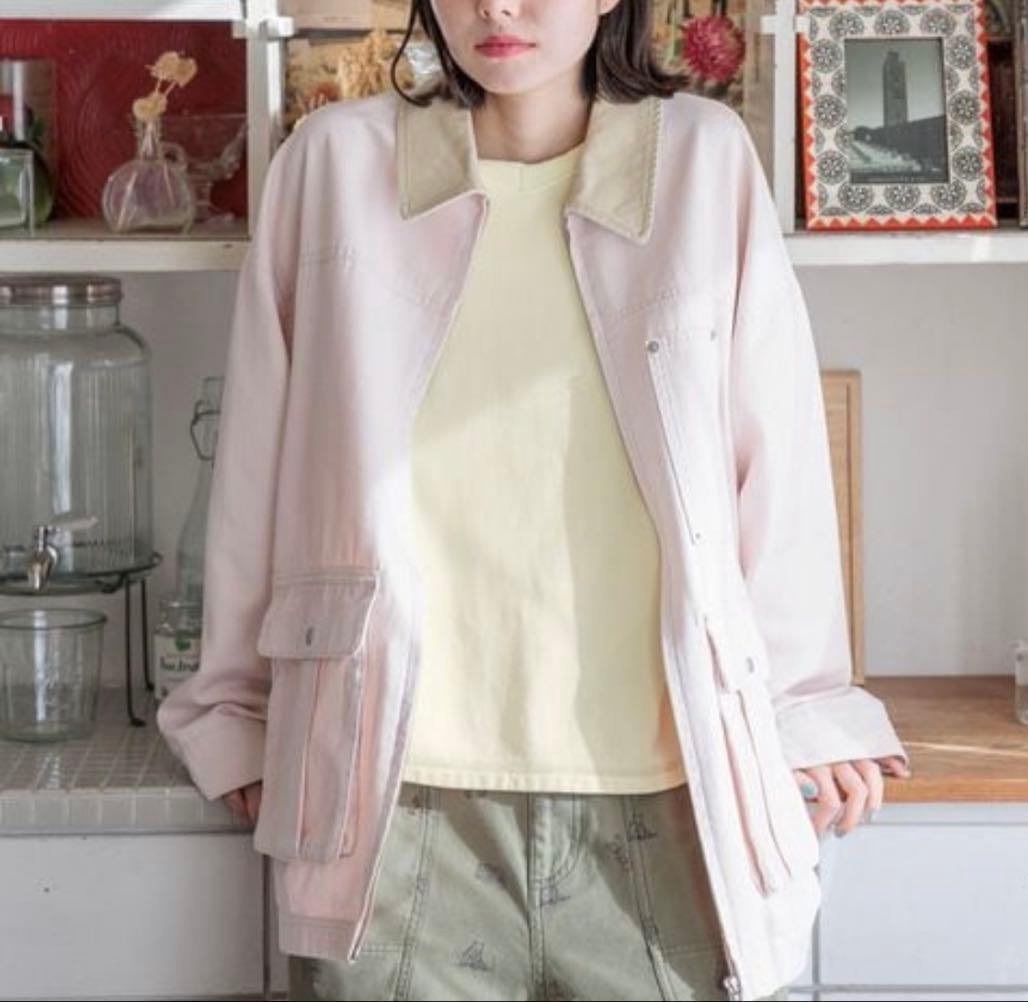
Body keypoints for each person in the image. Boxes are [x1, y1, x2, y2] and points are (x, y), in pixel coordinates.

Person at [157, 1, 912, 999]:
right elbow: (258, 460)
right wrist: (236, 713)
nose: (497, 8)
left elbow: (774, 459)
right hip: (390, 804)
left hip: (667, 804)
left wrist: (807, 710)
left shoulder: (701, 160)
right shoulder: (332, 167)